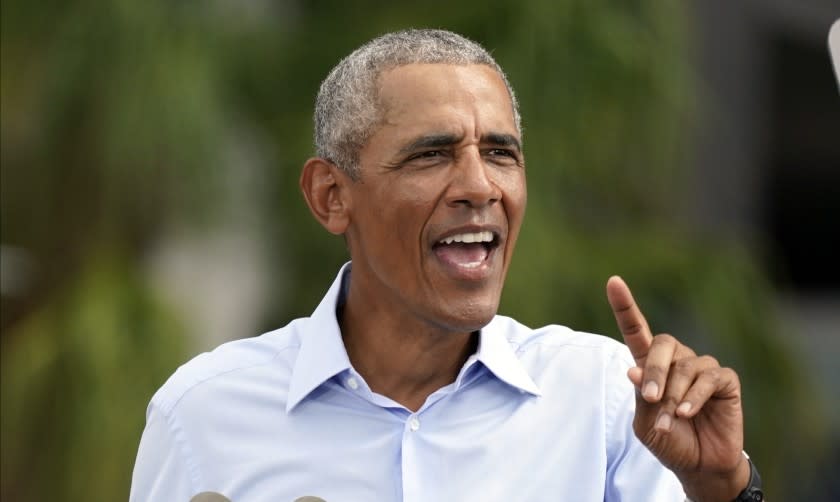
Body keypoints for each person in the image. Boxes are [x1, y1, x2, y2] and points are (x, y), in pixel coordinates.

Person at [130, 29, 764, 501]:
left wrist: (726, 487)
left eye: (500, 153)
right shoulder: (204, 414)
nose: (479, 185)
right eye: (432, 155)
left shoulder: (607, 399)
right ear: (331, 196)